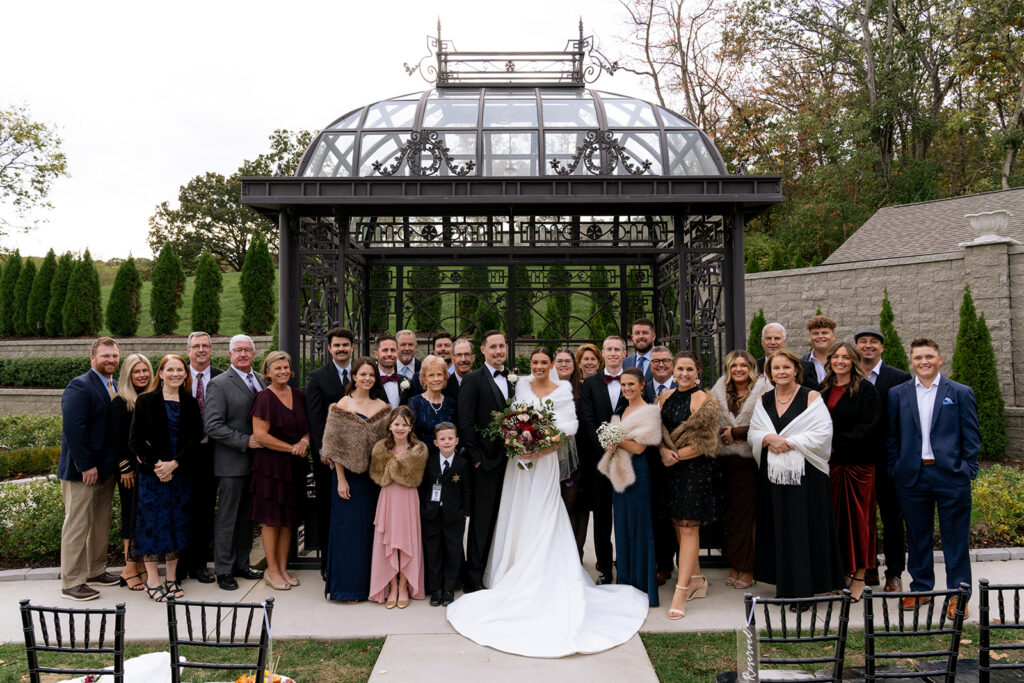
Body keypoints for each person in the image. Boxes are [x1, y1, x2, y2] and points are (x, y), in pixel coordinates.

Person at [447, 346, 648, 658]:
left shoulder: (563, 390)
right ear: (531, 365)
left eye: (544, 362)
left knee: (544, 510)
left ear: (552, 364)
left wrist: (539, 448)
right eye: (535, 362)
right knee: (518, 511)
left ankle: (545, 568)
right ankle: (511, 566)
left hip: (545, 460)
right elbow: (510, 421)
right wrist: (518, 442)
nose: (539, 366)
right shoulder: (522, 386)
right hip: (519, 463)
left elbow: (568, 429)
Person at [888, 338, 979, 617]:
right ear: (911, 361)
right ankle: (921, 589)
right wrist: (896, 467)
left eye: (929, 357)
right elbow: (892, 436)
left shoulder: (960, 392)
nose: (923, 362)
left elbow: (972, 436)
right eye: (918, 358)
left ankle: (958, 594)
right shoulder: (897, 394)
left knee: (955, 538)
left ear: (940, 359)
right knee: (917, 537)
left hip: (951, 476)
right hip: (912, 476)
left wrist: (967, 470)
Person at [749, 349, 844, 608]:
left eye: (786, 368)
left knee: (803, 530)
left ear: (796, 370)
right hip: (774, 477)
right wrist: (768, 439)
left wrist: (788, 441)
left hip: (807, 477)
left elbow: (824, 433)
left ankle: (805, 592)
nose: (781, 372)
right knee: (781, 530)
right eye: (776, 368)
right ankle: (786, 589)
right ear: (769, 373)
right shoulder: (764, 399)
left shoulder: (811, 396)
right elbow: (754, 432)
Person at [129, 355, 204, 602]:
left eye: (179, 370)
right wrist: (158, 466)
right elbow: (136, 440)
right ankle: (152, 580)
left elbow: (195, 439)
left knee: (176, 524)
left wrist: (174, 464)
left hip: (180, 475)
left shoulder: (190, 403)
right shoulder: (146, 401)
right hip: (152, 478)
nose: (175, 374)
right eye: (169, 369)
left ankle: (171, 578)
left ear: (185, 374)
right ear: (160, 373)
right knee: (153, 525)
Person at [320, 357, 391, 602]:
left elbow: (387, 446)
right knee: (348, 532)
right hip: (347, 478)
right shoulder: (344, 404)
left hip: (372, 481)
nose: (367, 379)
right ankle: (347, 588)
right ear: (354, 377)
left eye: (371, 375)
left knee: (369, 533)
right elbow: (334, 446)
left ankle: (372, 586)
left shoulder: (383, 406)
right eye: (362, 374)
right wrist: (341, 479)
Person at [657, 352, 722, 619]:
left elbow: (707, 443)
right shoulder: (664, 397)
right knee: (677, 524)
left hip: (694, 472)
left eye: (689, 369)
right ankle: (696, 578)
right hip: (670, 470)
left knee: (688, 527)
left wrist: (676, 457)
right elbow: (657, 431)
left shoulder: (703, 400)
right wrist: (662, 450)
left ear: (698, 373)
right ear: (674, 371)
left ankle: (681, 592)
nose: (684, 374)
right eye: (680, 369)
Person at [58, 337, 122, 601]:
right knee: (77, 524)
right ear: (92, 358)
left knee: (100, 523)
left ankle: (96, 571)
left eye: (115, 356)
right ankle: (72, 582)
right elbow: (74, 429)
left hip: (106, 471)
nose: (111, 360)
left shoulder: (115, 386)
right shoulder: (79, 385)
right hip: (81, 471)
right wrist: (86, 465)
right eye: (106, 355)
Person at [205, 334, 266, 591]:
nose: (243, 354)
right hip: (232, 462)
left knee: (247, 518)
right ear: (230, 354)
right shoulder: (219, 384)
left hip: (256, 464)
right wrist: (245, 441)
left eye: (247, 350)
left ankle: (242, 563)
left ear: (254, 354)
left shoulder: (260, 381)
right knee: (228, 518)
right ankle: (224, 570)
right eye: (238, 350)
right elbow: (212, 425)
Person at [821, 342, 880, 602]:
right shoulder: (822, 390)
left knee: (859, 522)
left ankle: (859, 576)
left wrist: (837, 444)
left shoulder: (866, 390)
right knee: (837, 522)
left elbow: (870, 427)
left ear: (854, 361)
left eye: (846, 357)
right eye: (836, 356)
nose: (840, 361)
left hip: (857, 466)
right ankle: (843, 572)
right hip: (829, 466)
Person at [599, 368, 662, 606]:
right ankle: (625, 580)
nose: (627, 389)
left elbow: (639, 448)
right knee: (622, 527)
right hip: (619, 475)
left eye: (631, 385)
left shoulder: (650, 411)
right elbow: (619, 442)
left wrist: (615, 439)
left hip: (639, 475)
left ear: (642, 385)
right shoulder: (620, 410)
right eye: (624, 385)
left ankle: (642, 584)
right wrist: (610, 443)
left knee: (640, 527)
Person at [855, 326, 911, 592]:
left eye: (873, 342)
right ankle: (869, 569)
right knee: (862, 518)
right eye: (863, 341)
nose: (868, 345)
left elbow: (905, 420)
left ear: (882, 348)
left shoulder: (899, 378)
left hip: (888, 460)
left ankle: (895, 573)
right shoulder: (849, 377)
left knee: (891, 518)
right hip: (857, 460)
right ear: (856, 347)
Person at [248, 351, 310, 591]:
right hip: (270, 466)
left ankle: (283, 568)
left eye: (286, 367)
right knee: (272, 519)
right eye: (277, 368)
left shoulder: (299, 395)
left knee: (288, 520)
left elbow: (308, 427)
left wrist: (304, 441)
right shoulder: (264, 397)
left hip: (294, 466)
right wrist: (290, 447)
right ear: (267, 372)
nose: (283, 371)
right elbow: (261, 436)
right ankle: (271, 570)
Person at [456, 330, 513, 592]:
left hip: (511, 464)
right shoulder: (473, 380)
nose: (499, 351)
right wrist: (478, 459)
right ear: (483, 350)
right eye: (494, 347)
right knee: (481, 521)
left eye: (502, 346)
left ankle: (494, 570)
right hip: (485, 464)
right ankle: (474, 578)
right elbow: (465, 421)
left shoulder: (513, 380)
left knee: (502, 519)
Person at [710, 350, 771, 591]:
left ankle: (748, 569)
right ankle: (735, 565)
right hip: (725, 463)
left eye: (743, 365)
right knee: (731, 519)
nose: (738, 369)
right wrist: (721, 435)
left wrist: (738, 432)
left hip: (750, 463)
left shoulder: (764, 390)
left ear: (751, 368)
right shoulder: (718, 391)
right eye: (734, 365)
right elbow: (710, 420)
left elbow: (768, 421)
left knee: (747, 518)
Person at [578, 336, 628, 584]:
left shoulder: (634, 379)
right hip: (598, 461)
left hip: (629, 459)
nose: (613, 353)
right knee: (601, 517)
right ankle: (605, 568)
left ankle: (627, 566)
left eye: (617, 349)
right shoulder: (590, 384)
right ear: (603, 355)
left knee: (626, 514)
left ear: (624, 352)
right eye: (608, 349)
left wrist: (624, 446)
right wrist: (605, 448)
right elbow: (586, 420)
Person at [305, 327, 355, 575]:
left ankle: (352, 560)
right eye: (337, 345)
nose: (341, 349)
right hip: (328, 457)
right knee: (327, 508)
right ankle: (328, 564)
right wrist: (323, 449)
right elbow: (314, 418)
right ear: (329, 349)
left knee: (354, 508)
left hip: (357, 455)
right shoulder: (317, 377)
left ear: (352, 347)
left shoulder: (361, 375)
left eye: (345, 345)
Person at [369, 406, 428, 607]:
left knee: (406, 540)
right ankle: (391, 586)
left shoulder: (419, 448)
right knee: (390, 541)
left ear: (411, 427)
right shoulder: (380, 447)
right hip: (388, 497)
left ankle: (404, 585)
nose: (400, 428)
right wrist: (396, 465)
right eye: (396, 424)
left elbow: (413, 477)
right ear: (390, 426)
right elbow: (380, 475)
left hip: (408, 498)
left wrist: (394, 465)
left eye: (404, 424)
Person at [108, 353, 152, 592]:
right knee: (131, 517)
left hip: (146, 469)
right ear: (128, 374)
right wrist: (124, 468)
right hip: (129, 471)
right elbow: (116, 440)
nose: (142, 375)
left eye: (145, 370)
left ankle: (142, 565)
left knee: (143, 517)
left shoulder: (148, 398)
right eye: (137, 371)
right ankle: (129, 568)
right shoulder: (121, 402)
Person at [183, 331, 221, 584]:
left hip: (213, 452)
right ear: (188, 350)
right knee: (182, 508)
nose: (201, 350)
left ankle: (200, 564)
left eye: (205, 346)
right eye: (196, 346)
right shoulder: (176, 374)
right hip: (181, 454)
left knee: (206, 510)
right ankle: (180, 563)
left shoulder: (221, 377)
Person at [420, 422, 471, 606]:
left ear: (457, 441)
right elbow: (424, 488)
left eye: (450, 438)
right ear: (435, 442)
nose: (447, 442)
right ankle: (436, 590)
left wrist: (465, 511)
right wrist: (424, 508)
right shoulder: (430, 462)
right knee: (433, 551)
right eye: (442, 439)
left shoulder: (463, 464)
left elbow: (467, 490)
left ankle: (449, 588)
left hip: (454, 516)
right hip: (432, 515)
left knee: (453, 550)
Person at [645, 345, 677, 585]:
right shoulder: (642, 389)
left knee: (680, 516)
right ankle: (663, 564)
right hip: (652, 461)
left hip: (682, 460)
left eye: (665, 361)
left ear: (673, 363)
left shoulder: (684, 386)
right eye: (656, 361)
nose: (661, 365)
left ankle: (685, 563)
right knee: (658, 513)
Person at [554, 346, 587, 557]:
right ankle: (555, 554)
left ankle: (575, 554)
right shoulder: (545, 389)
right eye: (560, 361)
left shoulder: (582, 390)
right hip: (551, 457)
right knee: (552, 508)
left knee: (573, 506)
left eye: (568, 361)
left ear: (574, 366)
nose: (564, 364)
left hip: (578, 458)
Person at [408, 355, 458, 456]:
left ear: (444, 377)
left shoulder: (451, 403)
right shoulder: (414, 402)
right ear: (424, 378)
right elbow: (409, 435)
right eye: (431, 375)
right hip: (421, 459)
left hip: (445, 459)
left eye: (439, 374)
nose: (436, 379)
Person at [757, 322, 818, 390]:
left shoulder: (805, 367)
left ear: (784, 341)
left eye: (777, 338)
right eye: (768, 338)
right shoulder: (753, 367)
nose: (773, 342)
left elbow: (813, 395)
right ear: (762, 342)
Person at [374, 334, 409, 409]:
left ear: (397, 353)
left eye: (393, 350)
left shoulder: (406, 381)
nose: (389, 354)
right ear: (376, 354)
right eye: (385, 350)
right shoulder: (370, 381)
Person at [802, 315, 837, 386]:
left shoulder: (843, 362)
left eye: (824, 333)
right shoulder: (801, 364)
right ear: (810, 337)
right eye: (815, 333)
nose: (820, 336)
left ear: (833, 336)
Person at [623, 318, 656, 382]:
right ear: (632, 337)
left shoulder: (666, 361)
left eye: (645, 333)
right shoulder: (624, 363)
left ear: (653, 336)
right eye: (637, 333)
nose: (641, 336)